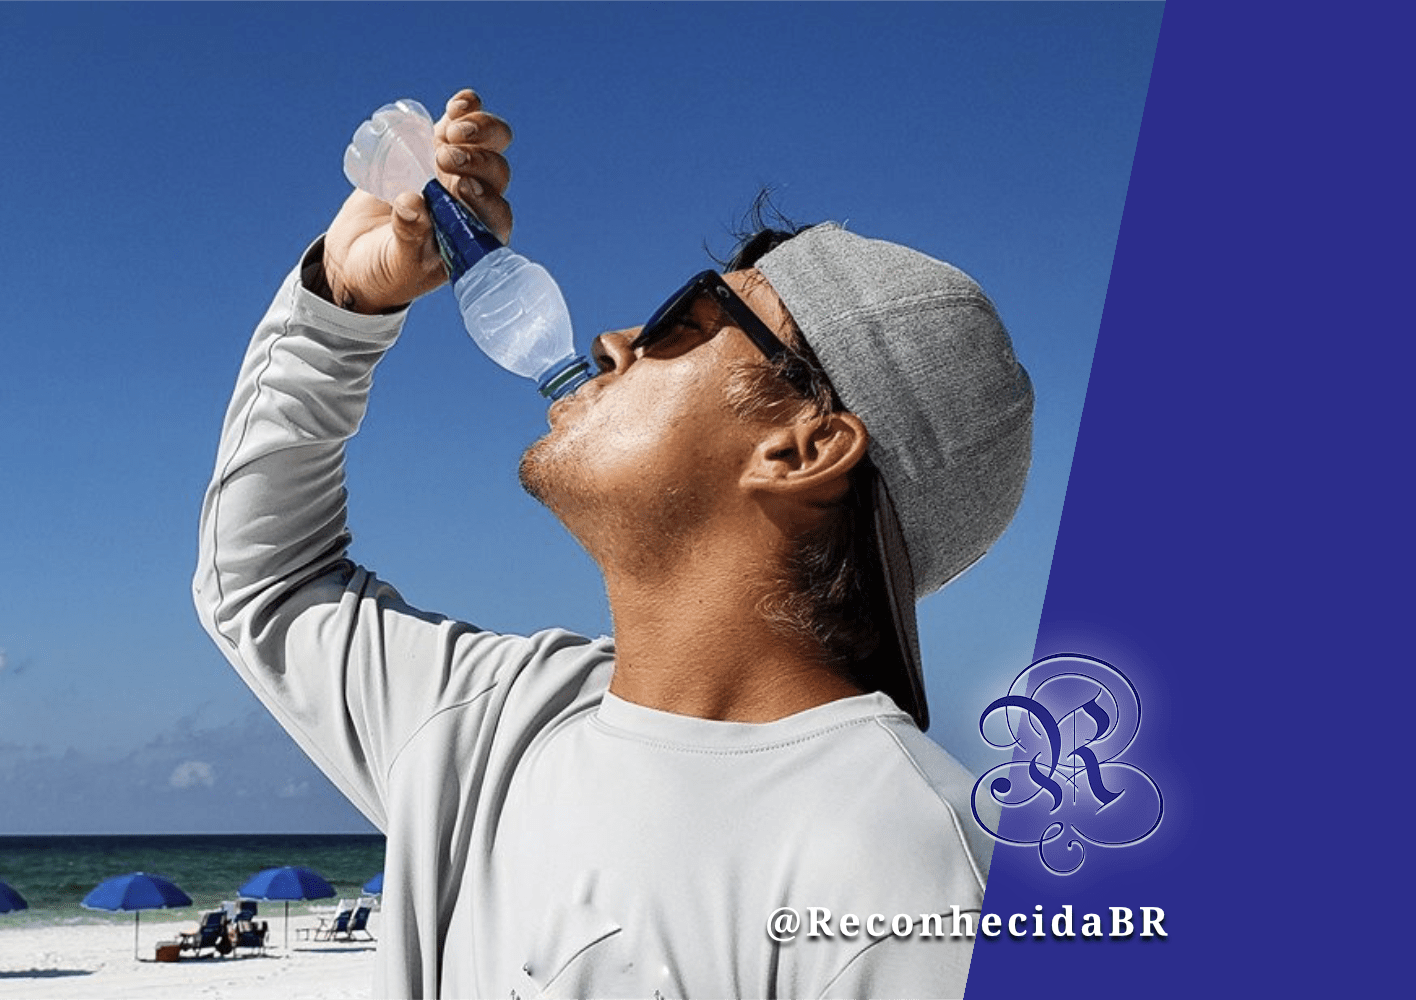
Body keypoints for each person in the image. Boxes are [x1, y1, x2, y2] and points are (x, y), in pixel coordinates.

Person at [194, 89, 1032, 999]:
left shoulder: (912, 873)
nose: (615, 341)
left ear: (803, 449)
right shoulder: (498, 721)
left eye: (688, 321)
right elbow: (264, 586)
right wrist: (343, 307)